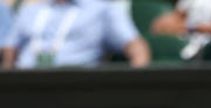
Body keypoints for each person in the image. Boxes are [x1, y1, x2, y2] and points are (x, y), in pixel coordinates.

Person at [1, 0, 150, 69]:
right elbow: (10, 51)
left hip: (75, 88)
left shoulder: (103, 10)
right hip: (25, 85)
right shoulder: (31, 10)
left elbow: (137, 49)